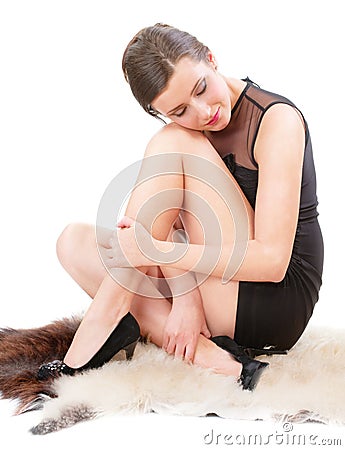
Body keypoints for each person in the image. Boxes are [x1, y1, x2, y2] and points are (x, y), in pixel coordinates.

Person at [38, 23, 323, 391]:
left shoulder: (277, 121)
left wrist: (158, 251)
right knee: (73, 241)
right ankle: (217, 360)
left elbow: (272, 260)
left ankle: (99, 329)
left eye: (202, 88)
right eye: (180, 109)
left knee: (173, 143)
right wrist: (186, 297)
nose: (203, 112)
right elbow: (172, 219)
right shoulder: (187, 130)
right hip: (215, 279)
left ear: (211, 57)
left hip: (273, 294)